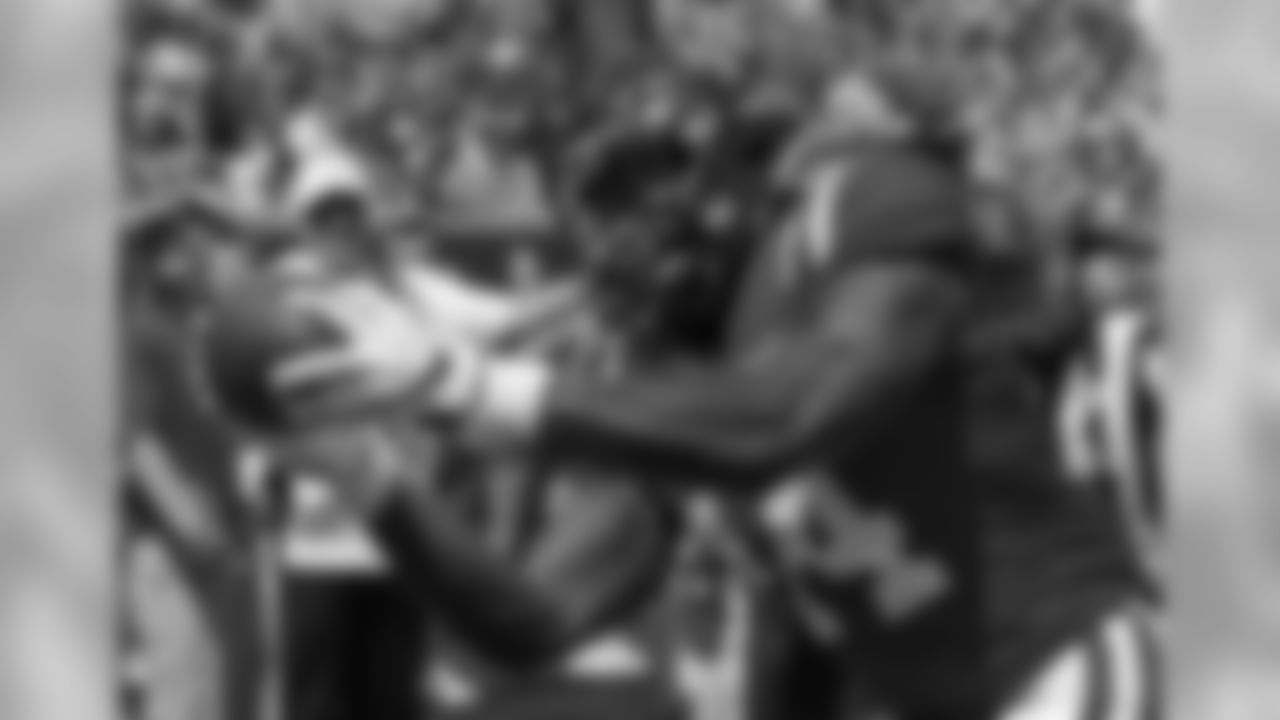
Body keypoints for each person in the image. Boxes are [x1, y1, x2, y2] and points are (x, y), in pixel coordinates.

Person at [238, 73, 1159, 720]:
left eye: (642, 192)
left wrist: (473, 388)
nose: (620, 238)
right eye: (600, 216)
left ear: (727, 176)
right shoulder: (681, 405)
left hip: (1061, 666)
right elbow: (527, 620)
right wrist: (372, 485)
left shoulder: (854, 210)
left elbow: (797, 413)